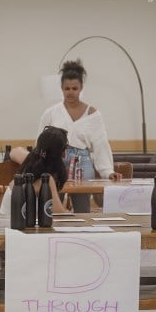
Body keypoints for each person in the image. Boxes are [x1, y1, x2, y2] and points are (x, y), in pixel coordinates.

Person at [37, 59, 121, 212]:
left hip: (83, 164)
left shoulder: (93, 114)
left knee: (83, 209)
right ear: (61, 88)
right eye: (67, 88)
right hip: (56, 163)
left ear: (81, 88)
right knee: (51, 207)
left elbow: (101, 145)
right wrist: (39, 168)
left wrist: (107, 171)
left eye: (74, 88)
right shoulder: (51, 113)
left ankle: (84, 234)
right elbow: (40, 143)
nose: (70, 92)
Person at [2, 126, 70, 214]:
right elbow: (59, 214)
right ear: (61, 154)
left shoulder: (30, 162)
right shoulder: (46, 180)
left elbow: (15, 151)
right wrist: (67, 212)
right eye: (64, 149)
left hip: (7, 220)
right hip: (14, 224)